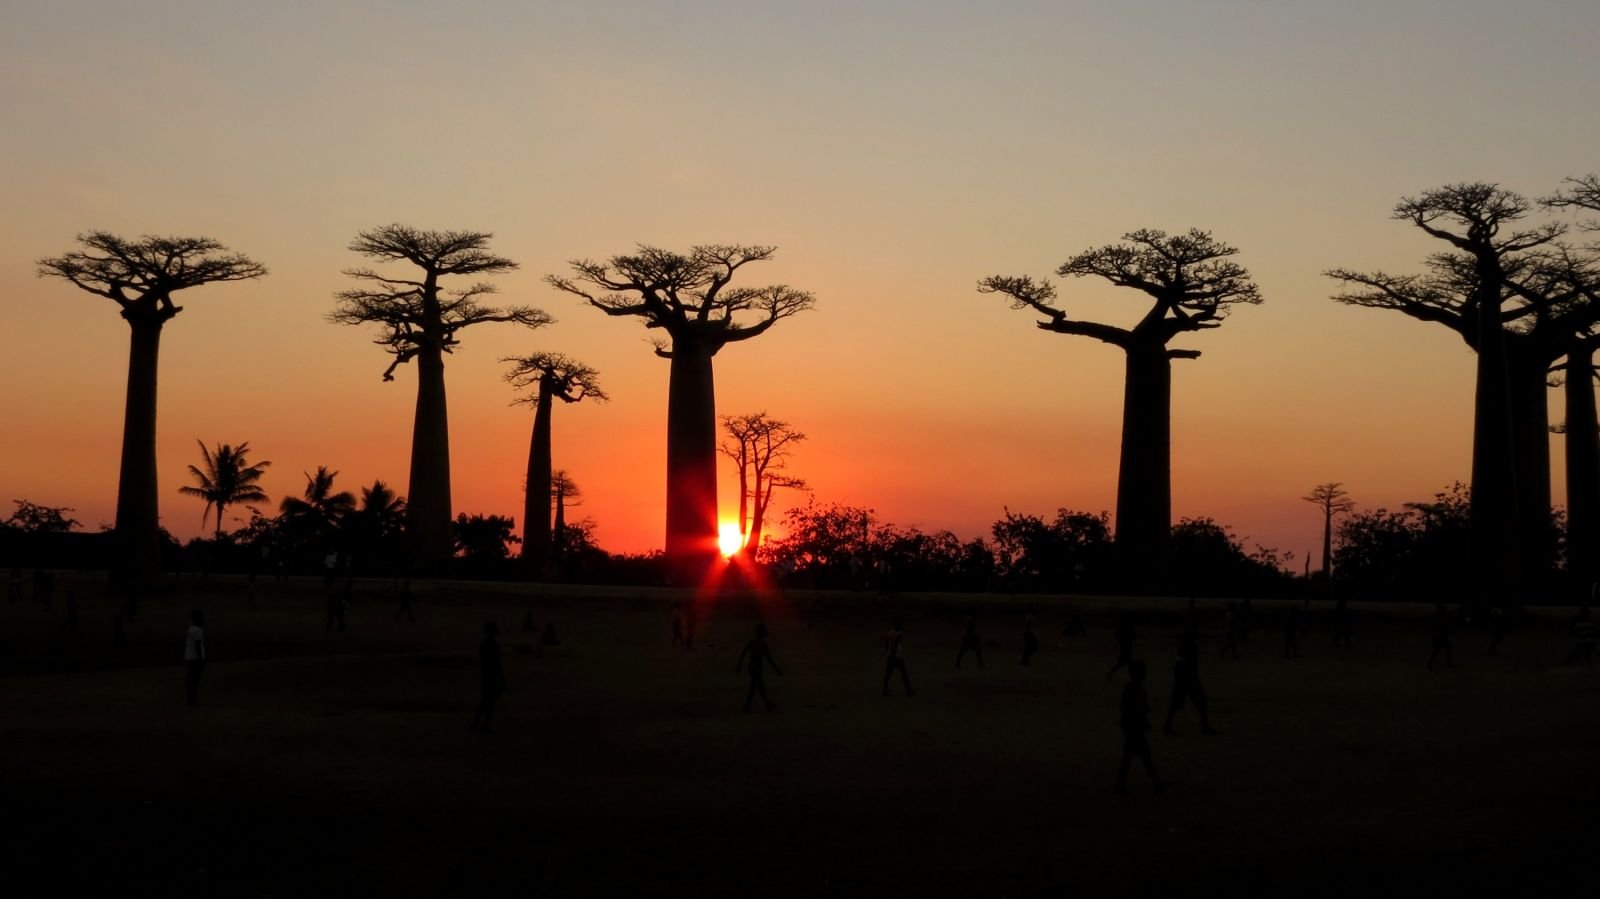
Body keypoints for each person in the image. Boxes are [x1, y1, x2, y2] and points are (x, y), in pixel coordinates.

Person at [1115, 660, 1166, 795]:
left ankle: (1156, 782)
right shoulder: (1135, 689)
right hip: (1134, 726)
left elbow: (1127, 708)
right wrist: (1143, 720)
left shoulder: (1132, 688)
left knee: (1135, 755)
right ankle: (1156, 782)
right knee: (1139, 755)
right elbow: (1135, 709)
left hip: (1131, 725)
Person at [1163, 622, 1219, 735]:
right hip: (1187, 678)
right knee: (1195, 702)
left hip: (1185, 678)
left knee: (1178, 704)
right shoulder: (1188, 645)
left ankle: (1169, 725)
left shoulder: (1186, 644)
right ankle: (1204, 727)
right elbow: (1184, 664)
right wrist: (1190, 679)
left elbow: (1180, 664)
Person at [735, 623, 783, 712]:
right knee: (754, 687)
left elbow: (743, 654)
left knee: (759, 686)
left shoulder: (751, 642)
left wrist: (739, 666)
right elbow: (769, 659)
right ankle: (747, 706)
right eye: (765, 631)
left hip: (752, 665)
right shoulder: (763, 644)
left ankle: (766, 704)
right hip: (757, 666)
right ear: (762, 632)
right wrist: (777, 669)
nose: (766, 633)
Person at [470, 622, 506, 733]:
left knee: (485, 702)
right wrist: (500, 678)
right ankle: (483, 725)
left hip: (486, 676)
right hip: (491, 676)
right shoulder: (493, 645)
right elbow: (496, 663)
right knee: (489, 702)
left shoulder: (484, 644)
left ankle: (478, 724)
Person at [883, 620, 914, 696]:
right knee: (904, 673)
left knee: (888, 674)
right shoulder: (898, 634)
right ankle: (908, 690)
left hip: (890, 656)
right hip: (897, 657)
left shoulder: (890, 633)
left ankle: (884, 690)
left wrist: (889, 652)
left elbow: (886, 643)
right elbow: (896, 644)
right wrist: (894, 653)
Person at [184, 610, 206, 707]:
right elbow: (198, 646)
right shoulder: (198, 630)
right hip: (195, 659)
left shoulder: (191, 629)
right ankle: (192, 700)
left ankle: (190, 699)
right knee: (195, 681)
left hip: (189, 658)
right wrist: (201, 659)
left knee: (191, 680)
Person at [1105, 613, 1136, 681]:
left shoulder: (1126, 625)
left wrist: (1120, 641)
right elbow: (1117, 634)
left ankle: (1109, 674)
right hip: (1126, 645)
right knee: (1127, 662)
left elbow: (1117, 634)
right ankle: (1109, 674)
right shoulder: (1128, 626)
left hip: (1126, 645)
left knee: (1124, 663)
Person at [1426, 602, 1455, 670]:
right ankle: (1430, 664)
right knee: (1439, 650)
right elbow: (1440, 626)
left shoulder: (1439, 616)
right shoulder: (1439, 617)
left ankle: (1448, 664)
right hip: (1440, 636)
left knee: (1444, 650)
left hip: (1442, 636)